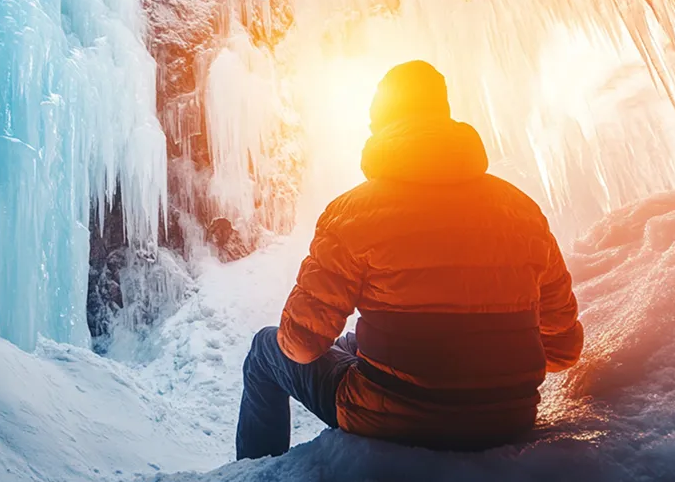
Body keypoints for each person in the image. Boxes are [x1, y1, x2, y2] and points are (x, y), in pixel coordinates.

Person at [235, 60, 583, 459]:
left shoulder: (353, 213)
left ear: (380, 124)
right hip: (509, 416)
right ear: (443, 115)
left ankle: (254, 476)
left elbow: (299, 347)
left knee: (266, 351)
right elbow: (562, 351)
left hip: (395, 418)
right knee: (352, 345)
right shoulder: (522, 211)